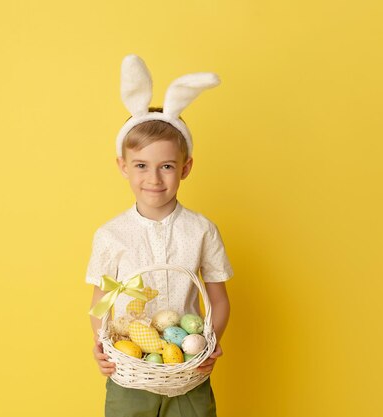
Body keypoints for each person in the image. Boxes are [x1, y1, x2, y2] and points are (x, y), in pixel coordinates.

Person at [86, 55, 232, 417]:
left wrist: (209, 345)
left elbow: (219, 298)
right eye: (141, 166)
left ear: (185, 168)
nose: (154, 179)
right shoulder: (110, 235)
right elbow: (101, 300)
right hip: (129, 376)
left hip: (188, 377)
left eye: (166, 166)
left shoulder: (201, 230)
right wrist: (100, 345)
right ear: (123, 167)